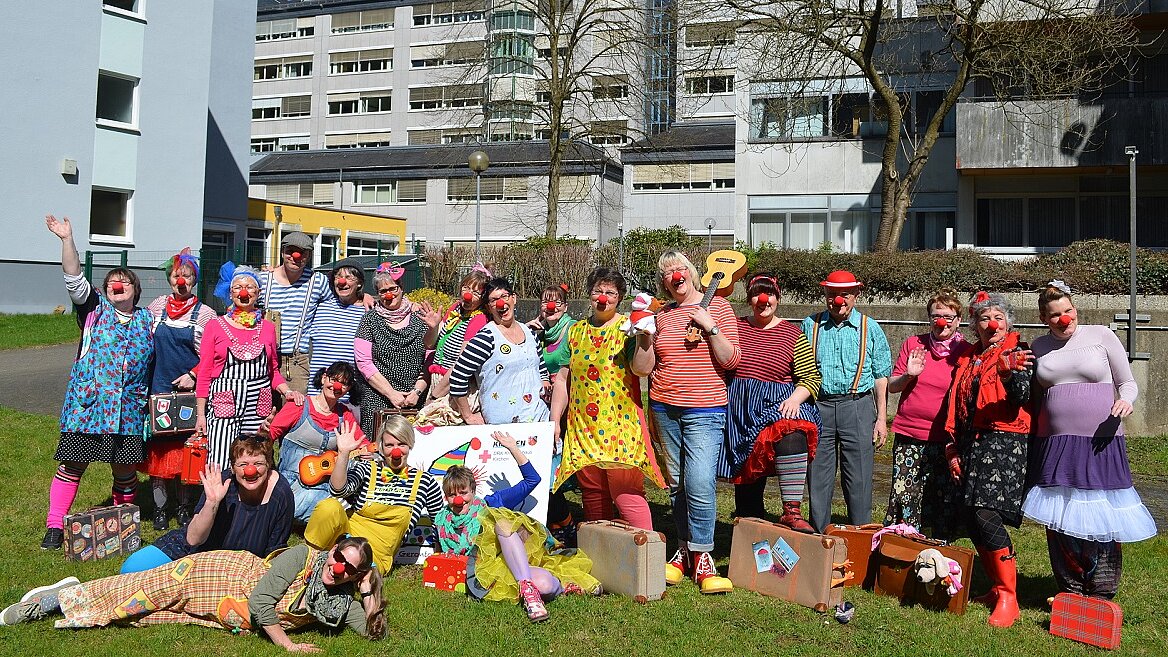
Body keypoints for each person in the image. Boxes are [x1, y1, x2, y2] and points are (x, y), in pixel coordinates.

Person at [2, 535, 387, 650]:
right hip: (212, 574)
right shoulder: (304, 557)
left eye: (350, 569)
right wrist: (288, 646)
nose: (339, 568)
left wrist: (368, 594)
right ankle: (51, 601)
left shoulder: (337, 601)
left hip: (213, 609)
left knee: (141, 614)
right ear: (333, 549)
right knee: (134, 590)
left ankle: (72, 596)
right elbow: (260, 603)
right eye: (340, 556)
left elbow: (372, 631)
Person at [1023, 281, 1157, 600]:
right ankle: (1069, 588)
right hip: (1055, 443)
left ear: (1076, 310)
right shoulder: (1038, 347)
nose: (1064, 319)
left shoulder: (1101, 335)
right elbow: (1034, 394)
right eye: (1055, 314)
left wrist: (1125, 402)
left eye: (1069, 311)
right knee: (1059, 516)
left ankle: (1101, 591)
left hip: (1100, 440)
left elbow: (1127, 383)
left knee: (1101, 514)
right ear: (1044, 318)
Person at [40, 215, 153, 551]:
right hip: (88, 408)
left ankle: (120, 527)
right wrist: (67, 239)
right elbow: (74, 277)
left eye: (124, 283)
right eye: (111, 283)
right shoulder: (93, 310)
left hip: (128, 410)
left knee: (124, 470)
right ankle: (55, 526)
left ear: (136, 290)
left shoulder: (149, 319)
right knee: (72, 465)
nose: (117, 286)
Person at [631, 251, 739, 594]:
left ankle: (703, 555)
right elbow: (642, 369)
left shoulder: (718, 307)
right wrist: (644, 336)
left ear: (692, 273)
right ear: (663, 282)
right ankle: (683, 549)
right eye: (666, 274)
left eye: (679, 270)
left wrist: (711, 328)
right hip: (665, 408)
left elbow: (731, 359)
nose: (674, 276)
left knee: (700, 481)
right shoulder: (660, 315)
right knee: (677, 483)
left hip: (705, 410)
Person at [434, 432, 600, 623]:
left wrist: (513, 448)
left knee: (502, 521)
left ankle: (533, 592)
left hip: (509, 560)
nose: (458, 499)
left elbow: (532, 480)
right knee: (545, 585)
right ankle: (561, 586)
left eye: (463, 492)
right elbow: (439, 554)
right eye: (451, 494)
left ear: (473, 491)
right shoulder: (441, 519)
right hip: (485, 571)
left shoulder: (491, 502)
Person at [944, 290, 1034, 628]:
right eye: (983, 318)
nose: (991, 323)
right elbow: (959, 404)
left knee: (986, 513)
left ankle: (1010, 596)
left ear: (1008, 322)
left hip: (1004, 440)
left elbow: (1021, 396)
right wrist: (953, 447)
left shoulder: (1019, 352)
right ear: (975, 325)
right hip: (972, 440)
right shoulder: (970, 357)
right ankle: (997, 588)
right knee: (971, 513)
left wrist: (1009, 373)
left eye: (998, 317)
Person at [551, 267, 664, 530]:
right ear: (589, 296)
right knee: (592, 494)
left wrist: (645, 337)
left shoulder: (628, 327)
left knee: (626, 494)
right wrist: (556, 419)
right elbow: (561, 380)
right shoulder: (575, 331)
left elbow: (642, 369)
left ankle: (646, 555)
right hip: (583, 429)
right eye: (597, 291)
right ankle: (601, 558)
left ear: (620, 297)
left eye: (610, 292)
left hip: (619, 427)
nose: (603, 297)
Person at [720, 274, 821, 532]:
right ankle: (749, 531)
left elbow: (810, 377)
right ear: (749, 298)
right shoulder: (736, 326)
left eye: (770, 295)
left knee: (794, 433)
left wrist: (795, 398)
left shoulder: (792, 334)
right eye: (757, 294)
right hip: (739, 409)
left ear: (778, 298)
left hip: (777, 404)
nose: (763, 300)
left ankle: (792, 511)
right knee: (748, 479)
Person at [120, 435, 294, 574]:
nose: (251, 471)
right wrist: (212, 502)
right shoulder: (221, 482)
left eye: (258, 464)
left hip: (243, 567)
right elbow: (194, 539)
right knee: (131, 569)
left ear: (269, 465)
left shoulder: (281, 493)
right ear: (233, 468)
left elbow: (274, 552)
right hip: (199, 551)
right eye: (243, 464)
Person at [801, 270, 892, 532]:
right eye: (832, 295)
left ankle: (861, 536)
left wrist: (881, 420)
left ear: (856, 295)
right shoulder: (811, 325)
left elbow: (880, 376)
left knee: (859, 477)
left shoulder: (869, 328)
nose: (838, 301)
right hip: (819, 407)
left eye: (844, 295)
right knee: (818, 474)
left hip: (858, 406)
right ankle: (820, 535)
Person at [195, 262, 302, 468]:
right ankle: (220, 500)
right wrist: (201, 415)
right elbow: (205, 373)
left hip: (257, 408)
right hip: (223, 406)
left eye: (250, 287)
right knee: (221, 461)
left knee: (254, 460)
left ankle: (253, 500)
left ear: (258, 292)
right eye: (237, 287)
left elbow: (273, 371)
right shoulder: (215, 326)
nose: (244, 292)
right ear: (230, 292)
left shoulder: (268, 328)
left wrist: (287, 391)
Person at [304, 414, 444, 570]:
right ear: (381, 446)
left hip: (375, 555)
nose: (396, 451)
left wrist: (440, 560)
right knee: (328, 506)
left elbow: (440, 522)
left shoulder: (426, 482)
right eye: (390, 445)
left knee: (348, 572)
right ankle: (307, 561)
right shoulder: (366, 469)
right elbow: (338, 490)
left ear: (410, 445)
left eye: (402, 444)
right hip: (346, 538)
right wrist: (343, 453)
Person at [882, 289, 969, 538]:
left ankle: (937, 551)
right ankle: (901, 547)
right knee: (905, 495)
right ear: (929, 318)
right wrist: (910, 374)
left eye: (948, 316)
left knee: (941, 498)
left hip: (946, 439)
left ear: (958, 319)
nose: (942, 321)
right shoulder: (914, 345)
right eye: (936, 315)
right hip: (910, 434)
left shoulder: (966, 352)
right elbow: (892, 385)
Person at [142, 248, 218, 530]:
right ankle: (160, 508)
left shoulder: (206, 314)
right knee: (159, 454)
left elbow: (213, 355)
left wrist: (194, 375)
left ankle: (185, 507)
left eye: (186, 276)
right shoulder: (157, 306)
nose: (180, 280)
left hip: (189, 393)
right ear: (169, 279)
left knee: (189, 451)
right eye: (176, 275)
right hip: (159, 388)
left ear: (194, 280)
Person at [270, 362, 366, 523]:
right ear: (323, 378)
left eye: (344, 384)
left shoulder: (345, 415)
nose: (336, 386)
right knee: (337, 512)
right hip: (291, 484)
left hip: (324, 485)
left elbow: (361, 444)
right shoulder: (299, 406)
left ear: (348, 389)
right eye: (334, 379)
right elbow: (267, 438)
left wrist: (369, 451)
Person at [449, 276, 551, 425]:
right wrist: (468, 415)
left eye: (504, 296)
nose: (500, 303)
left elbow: (541, 369)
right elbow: (457, 377)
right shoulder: (486, 337)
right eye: (493, 300)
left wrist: (545, 382)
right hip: (502, 429)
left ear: (514, 298)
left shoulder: (530, 333)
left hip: (538, 422)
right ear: (489, 307)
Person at [354, 262, 439, 437]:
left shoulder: (420, 316)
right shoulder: (369, 320)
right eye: (383, 291)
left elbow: (430, 355)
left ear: (401, 288)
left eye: (393, 288)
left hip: (414, 398)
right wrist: (391, 393)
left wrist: (416, 392)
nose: (389, 295)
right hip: (377, 397)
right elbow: (363, 362)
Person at [305, 258, 368, 399]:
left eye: (348, 277)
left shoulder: (367, 312)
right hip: (316, 395)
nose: (342, 281)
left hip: (348, 397)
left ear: (359, 283)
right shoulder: (321, 307)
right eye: (338, 277)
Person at [427, 265, 491, 401]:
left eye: (476, 293)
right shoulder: (456, 308)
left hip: (454, 386)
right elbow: (429, 344)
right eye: (466, 288)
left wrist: (435, 395)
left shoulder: (478, 319)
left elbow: (461, 364)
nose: (468, 295)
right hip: (439, 378)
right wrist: (433, 327)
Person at [527, 282, 575, 379]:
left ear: (565, 307)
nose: (551, 306)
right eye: (545, 302)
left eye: (557, 302)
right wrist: (526, 330)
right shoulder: (541, 334)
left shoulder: (574, 328)